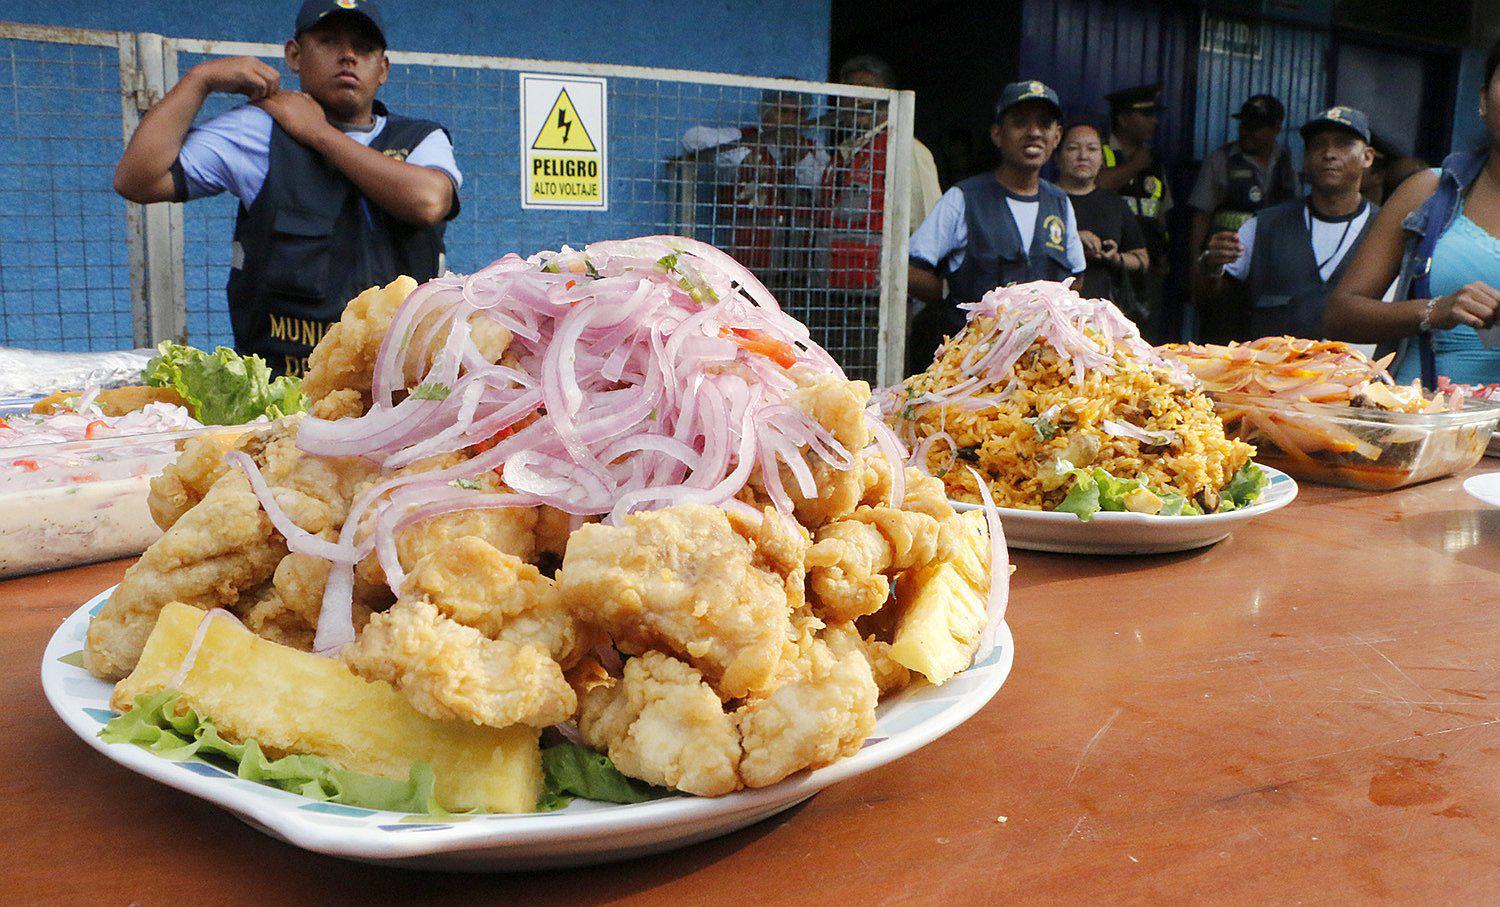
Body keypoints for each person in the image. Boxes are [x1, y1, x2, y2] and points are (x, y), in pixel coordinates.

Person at [113, 0, 461, 377]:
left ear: (383, 69)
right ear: (294, 56)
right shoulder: (260, 131)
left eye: (363, 48)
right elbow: (137, 179)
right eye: (328, 42)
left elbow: (428, 201)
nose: (348, 56)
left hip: (399, 390)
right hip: (285, 390)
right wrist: (200, 80)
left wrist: (316, 132)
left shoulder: (421, 139)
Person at [1324, 41, 1500, 387]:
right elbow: (1339, 315)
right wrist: (1435, 310)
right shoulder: (1428, 191)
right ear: (1482, 100)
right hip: (1421, 429)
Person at [907, 80, 1086, 372]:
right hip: (971, 369)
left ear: (1057, 137)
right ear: (997, 134)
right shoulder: (964, 198)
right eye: (1020, 123)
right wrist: (952, 295)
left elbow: (1076, 277)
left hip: (1041, 372)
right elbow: (909, 272)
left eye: (1044, 124)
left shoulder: (1060, 203)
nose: (1034, 133)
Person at [1198, 106, 1378, 340]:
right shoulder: (1263, 225)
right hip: (1272, 373)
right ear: (1305, 157)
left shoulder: (1386, 229)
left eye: (1343, 144)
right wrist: (1211, 266)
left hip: (1355, 373)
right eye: (1318, 144)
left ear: (1367, 156)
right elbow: (1208, 298)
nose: (1329, 153)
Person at [681, 88, 828, 293]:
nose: (790, 120)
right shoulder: (742, 137)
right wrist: (743, 155)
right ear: (765, 111)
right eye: (783, 112)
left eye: (798, 114)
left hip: (797, 263)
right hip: (747, 262)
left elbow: (826, 188)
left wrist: (801, 158)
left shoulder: (813, 149)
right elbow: (691, 138)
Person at [1189, 94, 1299, 342]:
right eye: (1243, 125)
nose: (1246, 132)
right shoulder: (1223, 160)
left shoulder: (1285, 161)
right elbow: (1200, 217)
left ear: (1275, 129)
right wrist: (1196, 271)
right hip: (1227, 270)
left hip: (1269, 271)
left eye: (1256, 127)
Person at [833, 55, 943, 235]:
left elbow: (929, 225)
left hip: (884, 262)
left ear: (888, 96)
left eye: (867, 90)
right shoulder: (843, 153)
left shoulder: (906, 149)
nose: (857, 99)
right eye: (850, 90)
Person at [1055, 122, 1149, 315]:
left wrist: (1114, 257)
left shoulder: (1115, 204)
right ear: (1056, 156)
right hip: (1052, 310)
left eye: (1092, 149)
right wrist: (1072, 239)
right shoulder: (1044, 200)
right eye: (1073, 148)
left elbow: (1142, 260)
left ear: (1101, 160)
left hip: (1104, 314)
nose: (1083, 156)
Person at [1098, 84, 1171, 331]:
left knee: (1146, 336)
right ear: (1123, 119)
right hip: (1110, 262)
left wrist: (1163, 252)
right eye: (1147, 115)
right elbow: (1096, 187)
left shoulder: (1154, 160)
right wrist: (1133, 166)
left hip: (1146, 265)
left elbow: (1160, 210)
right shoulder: (1100, 150)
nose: (1154, 122)